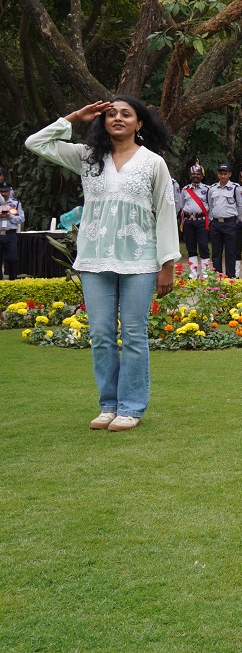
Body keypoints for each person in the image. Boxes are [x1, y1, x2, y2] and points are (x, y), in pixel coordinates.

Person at [25, 97, 179, 431]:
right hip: (94, 258)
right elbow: (35, 142)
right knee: (102, 334)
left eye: (127, 114)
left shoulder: (153, 163)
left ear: (139, 124)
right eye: (112, 114)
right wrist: (75, 117)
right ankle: (109, 406)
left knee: (135, 334)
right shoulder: (87, 157)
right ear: (102, 121)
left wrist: (168, 263)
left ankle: (131, 408)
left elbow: (166, 210)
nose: (118, 118)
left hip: (140, 258)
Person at [206, 164, 242, 276]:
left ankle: (231, 277)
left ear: (230, 174)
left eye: (225, 173)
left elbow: (241, 206)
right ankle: (217, 277)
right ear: (217, 174)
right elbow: (210, 205)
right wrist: (211, 220)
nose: (223, 176)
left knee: (230, 253)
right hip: (216, 224)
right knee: (216, 253)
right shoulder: (212, 189)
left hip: (230, 223)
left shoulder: (235, 188)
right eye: (221, 173)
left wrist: (236, 221)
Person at [178, 162, 211, 278]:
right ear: (190, 175)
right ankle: (193, 272)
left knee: (203, 245)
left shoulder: (207, 189)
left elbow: (210, 206)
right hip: (188, 221)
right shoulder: (185, 189)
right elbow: (182, 205)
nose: (195, 176)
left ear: (202, 176)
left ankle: (206, 273)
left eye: (198, 174)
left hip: (202, 220)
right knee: (190, 247)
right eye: (193, 174)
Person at [0, 182, 23, 280]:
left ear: (9, 191)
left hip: (10, 234)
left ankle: (13, 281)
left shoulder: (15, 203)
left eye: (6, 191)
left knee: (12, 259)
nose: (4, 194)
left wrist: (9, 216)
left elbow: (21, 219)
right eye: (1, 191)